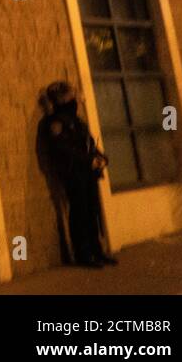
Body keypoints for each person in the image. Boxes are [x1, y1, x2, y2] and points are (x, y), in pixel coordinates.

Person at [35, 81, 117, 268]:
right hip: (74, 173)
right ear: (63, 100)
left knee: (92, 211)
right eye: (72, 96)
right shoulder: (55, 123)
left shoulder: (76, 121)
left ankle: (97, 250)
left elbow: (88, 143)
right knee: (80, 212)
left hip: (88, 173)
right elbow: (63, 149)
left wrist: (100, 157)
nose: (76, 100)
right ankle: (84, 253)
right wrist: (88, 160)